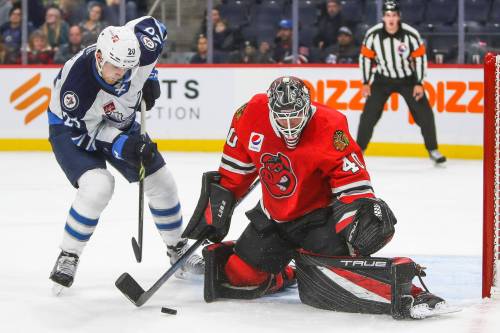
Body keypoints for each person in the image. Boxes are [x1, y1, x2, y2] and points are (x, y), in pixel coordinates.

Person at [182, 76, 454, 319]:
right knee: (238, 276)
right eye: (282, 117)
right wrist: (217, 207)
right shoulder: (248, 115)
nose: (289, 124)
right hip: (273, 217)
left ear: (308, 108)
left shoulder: (330, 126)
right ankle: (289, 272)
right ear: (270, 110)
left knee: (337, 280)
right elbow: (234, 172)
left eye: (296, 116)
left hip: (319, 220)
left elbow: (352, 182)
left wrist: (359, 214)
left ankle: (414, 293)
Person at [48, 16, 204, 292]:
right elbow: (85, 135)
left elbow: (155, 25)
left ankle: (178, 250)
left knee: (161, 180)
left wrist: (151, 76)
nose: (121, 74)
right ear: (99, 56)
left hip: (120, 120)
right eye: (115, 67)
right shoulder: (77, 88)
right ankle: (68, 255)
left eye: (128, 68)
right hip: (74, 129)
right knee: (98, 186)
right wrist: (124, 146)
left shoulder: (144, 43)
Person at [357, 1, 446, 164]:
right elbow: (365, 58)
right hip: (382, 79)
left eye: (394, 15)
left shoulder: (410, 34)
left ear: (399, 17)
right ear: (383, 17)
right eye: (388, 15)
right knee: (369, 115)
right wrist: (365, 82)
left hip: (408, 79)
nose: (391, 19)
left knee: (425, 114)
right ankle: (358, 150)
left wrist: (419, 82)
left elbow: (420, 58)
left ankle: (433, 149)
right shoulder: (373, 34)